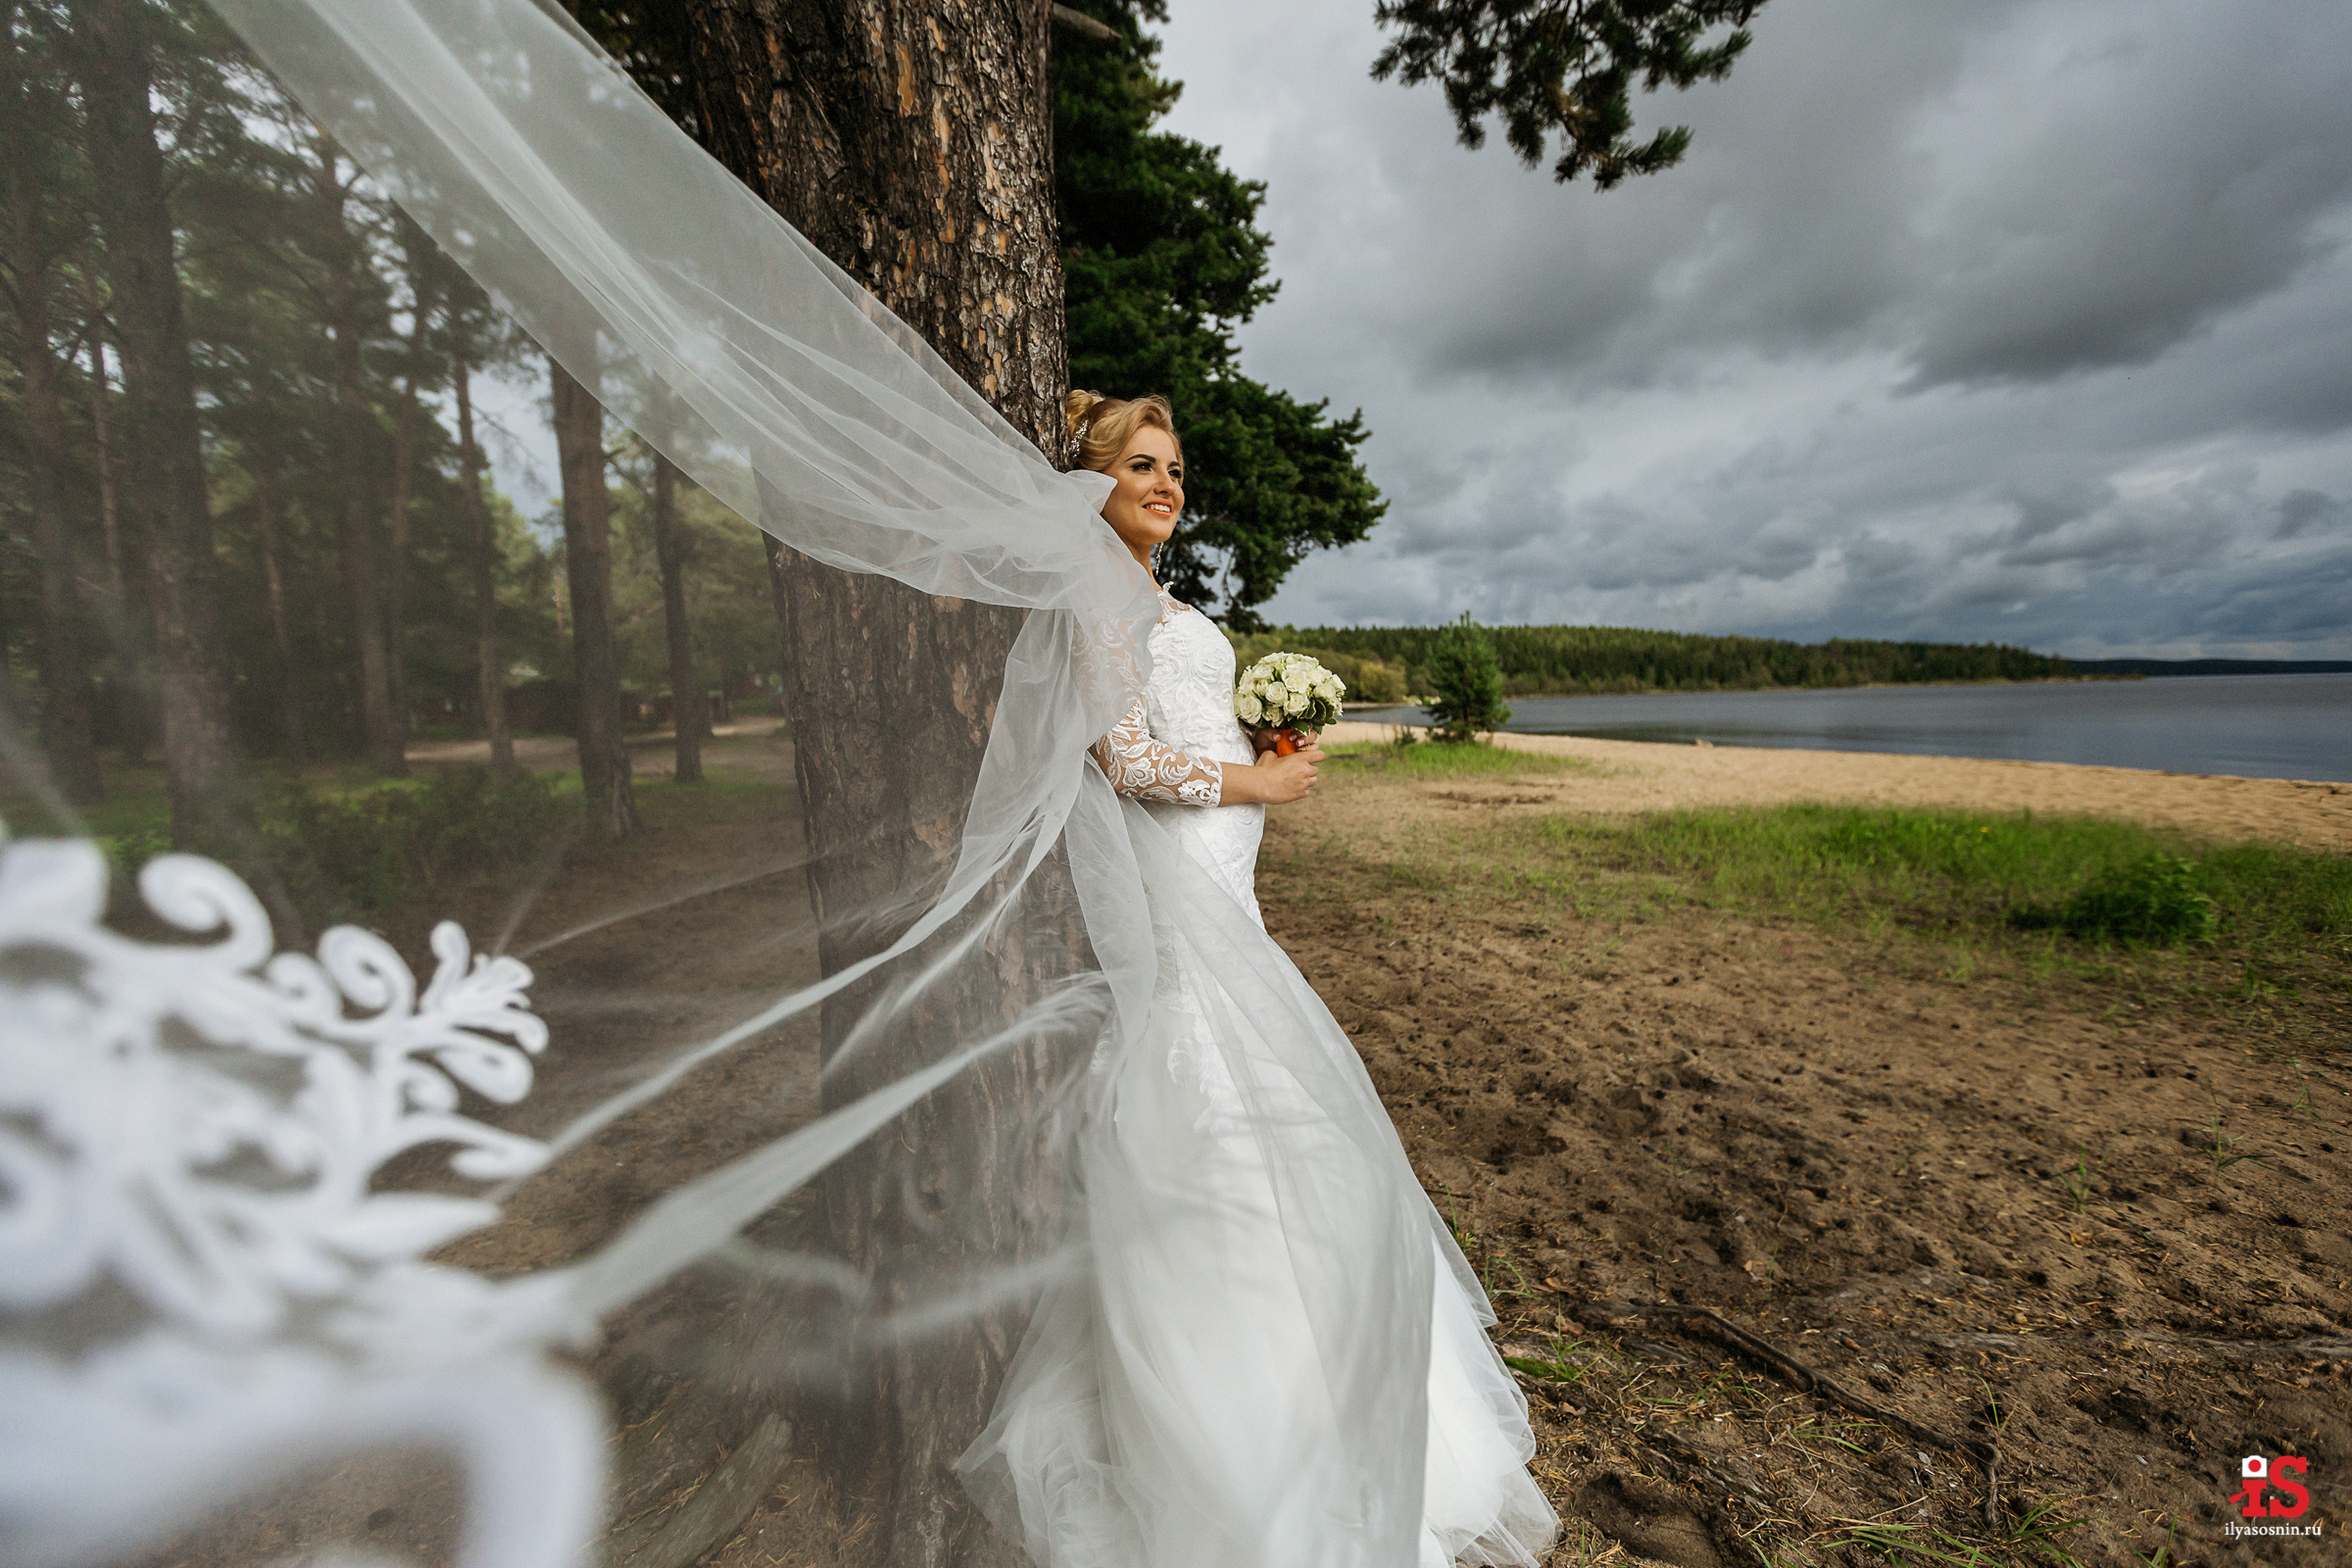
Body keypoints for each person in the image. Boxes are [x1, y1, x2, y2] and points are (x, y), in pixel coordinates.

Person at [956, 392, 1559, 1568]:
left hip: (1232, 890)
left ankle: (1354, 1433)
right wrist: (1260, 789)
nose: (1167, 484)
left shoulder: (1168, 605)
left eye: (1176, 467)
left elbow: (1181, 724)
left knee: (1294, 1134)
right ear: (1096, 485)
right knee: (1218, 1120)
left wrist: (1262, 743)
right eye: (1142, 464)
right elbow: (1123, 758)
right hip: (1182, 897)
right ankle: (1247, 1470)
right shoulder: (1092, 597)